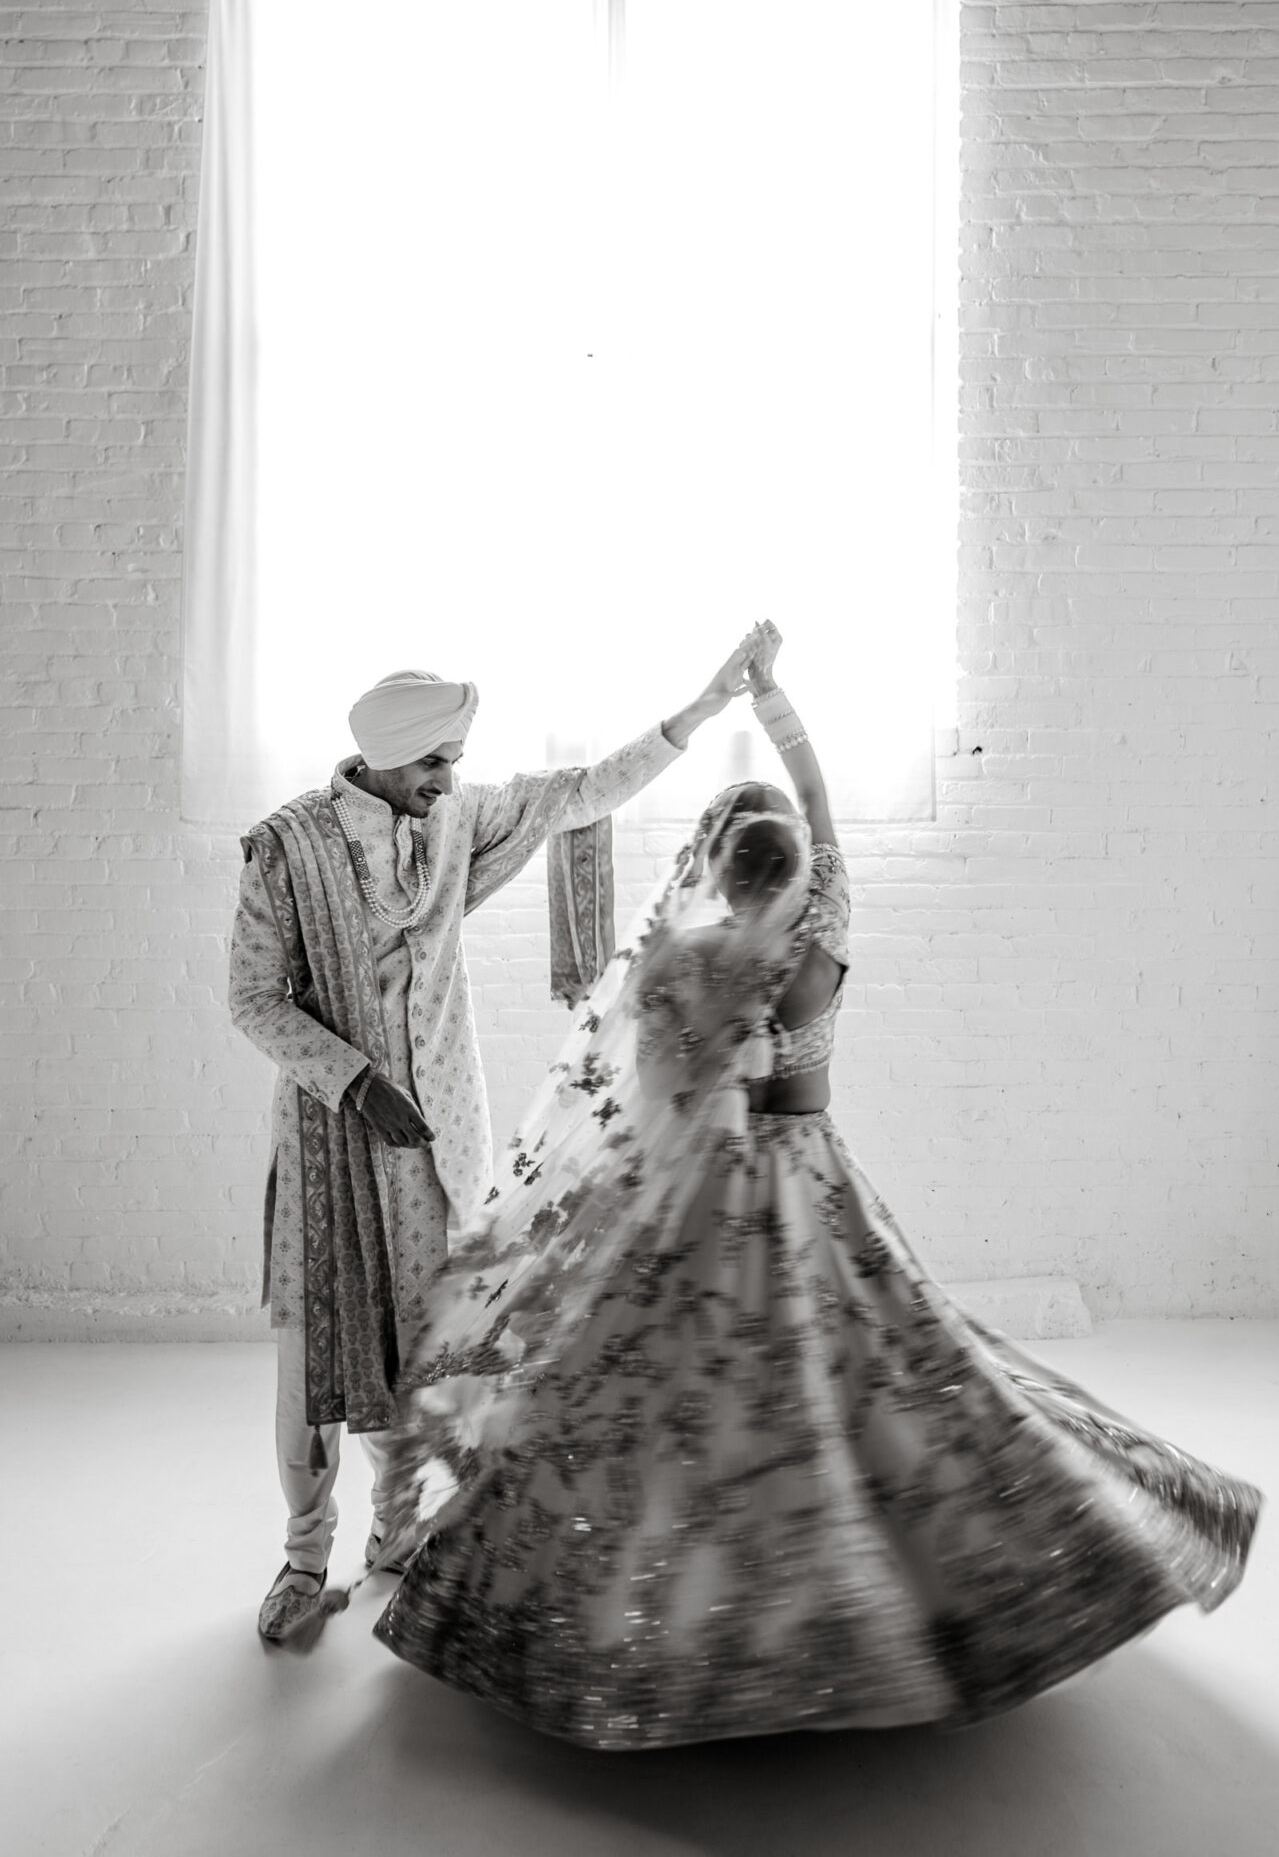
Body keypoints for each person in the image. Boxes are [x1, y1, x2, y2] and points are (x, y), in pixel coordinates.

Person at [372, 622, 1262, 1749]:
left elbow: (651, 1100)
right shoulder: (824, 933)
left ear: (704, 865)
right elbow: (818, 803)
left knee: (660, 1403)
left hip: (698, 1203)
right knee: (893, 1368)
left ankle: (652, 1624)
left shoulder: (671, 966)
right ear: (789, 867)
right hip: (813, 1185)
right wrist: (774, 700)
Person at [229, 635, 770, 1642]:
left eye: (457, 758)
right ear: (386, 756)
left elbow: (581, 792)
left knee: (423, 1349)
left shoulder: (456, 824)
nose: (452, 777)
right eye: (436, 760)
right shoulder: (286, 848)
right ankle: (304, 1558)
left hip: (436, 1139)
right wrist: (352, 1083)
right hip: (326, 1149)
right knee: (314, 1362)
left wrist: (699, 708)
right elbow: (252, 1001)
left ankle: (398, 1536)